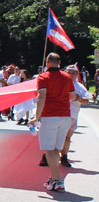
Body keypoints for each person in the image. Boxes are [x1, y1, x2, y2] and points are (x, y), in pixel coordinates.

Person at [29, 53, 75, 192]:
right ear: (59, 62)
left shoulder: (43, 77)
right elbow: (72, 96)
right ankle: (53, 178)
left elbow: (41, 96)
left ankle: (57, 180)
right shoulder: (67, 77)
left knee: (49, 149)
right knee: (55, 149)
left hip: (50, 116)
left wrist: (36, 117)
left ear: (47, 62)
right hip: (65, 116)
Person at [59, 65, 89, 167]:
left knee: (67, 137)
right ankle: (47, 156)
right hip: (58, 114)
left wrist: (77, 98)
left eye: (73, 72)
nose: (71, 74)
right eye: (69, 72)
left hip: (72, 115)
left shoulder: (79, 87)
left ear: (76, 74)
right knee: (55, 136)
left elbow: (86, 101)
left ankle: (64, 157)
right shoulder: (59, 83)